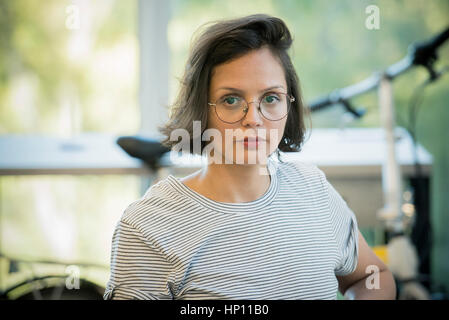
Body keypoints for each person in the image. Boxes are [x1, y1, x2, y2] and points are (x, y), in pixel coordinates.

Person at [104, 14, 396, 300]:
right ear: (200, 109)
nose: (253, 119)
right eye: (231, 100)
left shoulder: (314, 191)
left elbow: (373, 277)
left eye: (270, 98)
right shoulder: (148, 226)